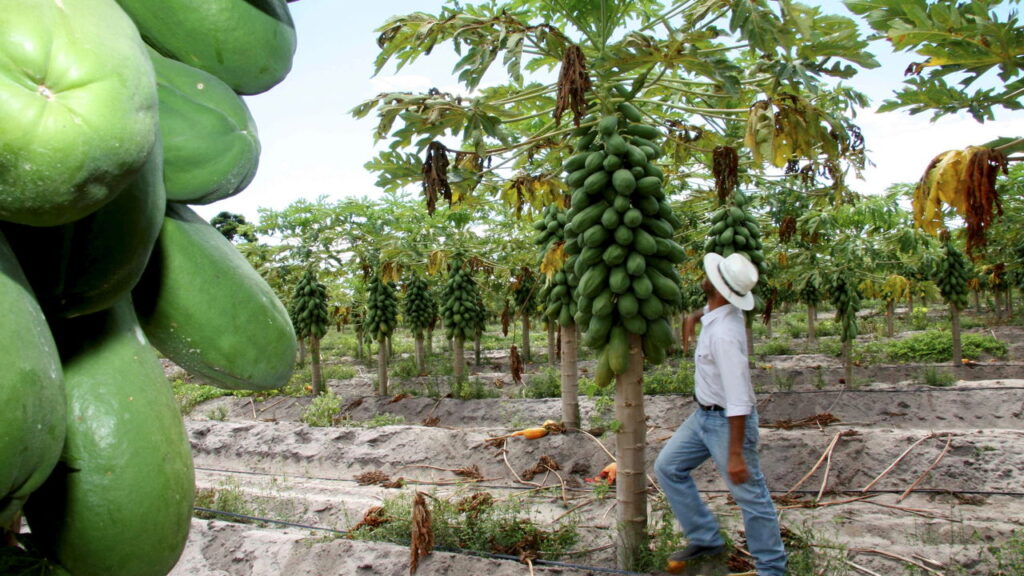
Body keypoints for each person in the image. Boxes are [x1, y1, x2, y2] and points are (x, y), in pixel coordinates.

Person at [654, 252, 787, 576]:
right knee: (668, 467)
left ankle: (772, 568)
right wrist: (695, 316)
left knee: (751, 496)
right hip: (702, 417)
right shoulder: (719, 314)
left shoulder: (725, 334)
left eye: (711, 276)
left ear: (716, 287)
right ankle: (705, 538)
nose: (705, 277)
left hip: (727, 422)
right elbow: (713, 312)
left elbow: (738, 399)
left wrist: (735, 453)